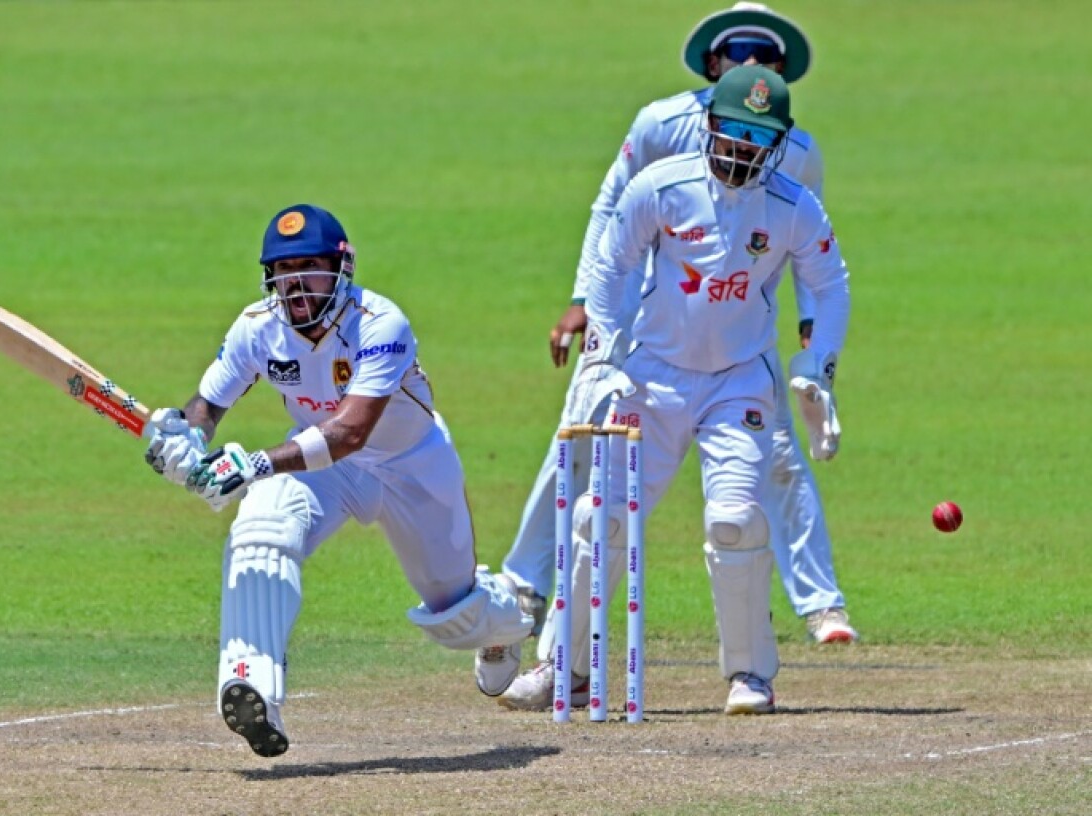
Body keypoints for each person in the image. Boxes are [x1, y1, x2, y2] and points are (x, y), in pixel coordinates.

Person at [498, 3, 855, 710]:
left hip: (736, 383)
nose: (746, 151)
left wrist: (816, 368)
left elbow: (830, 285)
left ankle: (749, 674)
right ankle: (560, 667)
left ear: (779, 140)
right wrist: (603, 353)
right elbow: (611, 263)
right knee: (597, 519)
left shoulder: (792, 203)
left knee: (734, 519)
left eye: (762, 139)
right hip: (652, 376)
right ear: (710, 121)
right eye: (735, 133)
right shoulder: (663, 184)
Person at [143, 204, 534, 756]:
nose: (295, 281)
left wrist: (253, 465)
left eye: (309, 266)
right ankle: (251, 680)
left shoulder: (380, 324)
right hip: (320, 469)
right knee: (261, 527)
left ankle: (502, 613)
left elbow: (351, 431)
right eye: (282, 270)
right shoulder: (258, 328)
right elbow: (208, 403)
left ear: (341, 269)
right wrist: (183, 436)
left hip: (410, 465)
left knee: (456, 620)